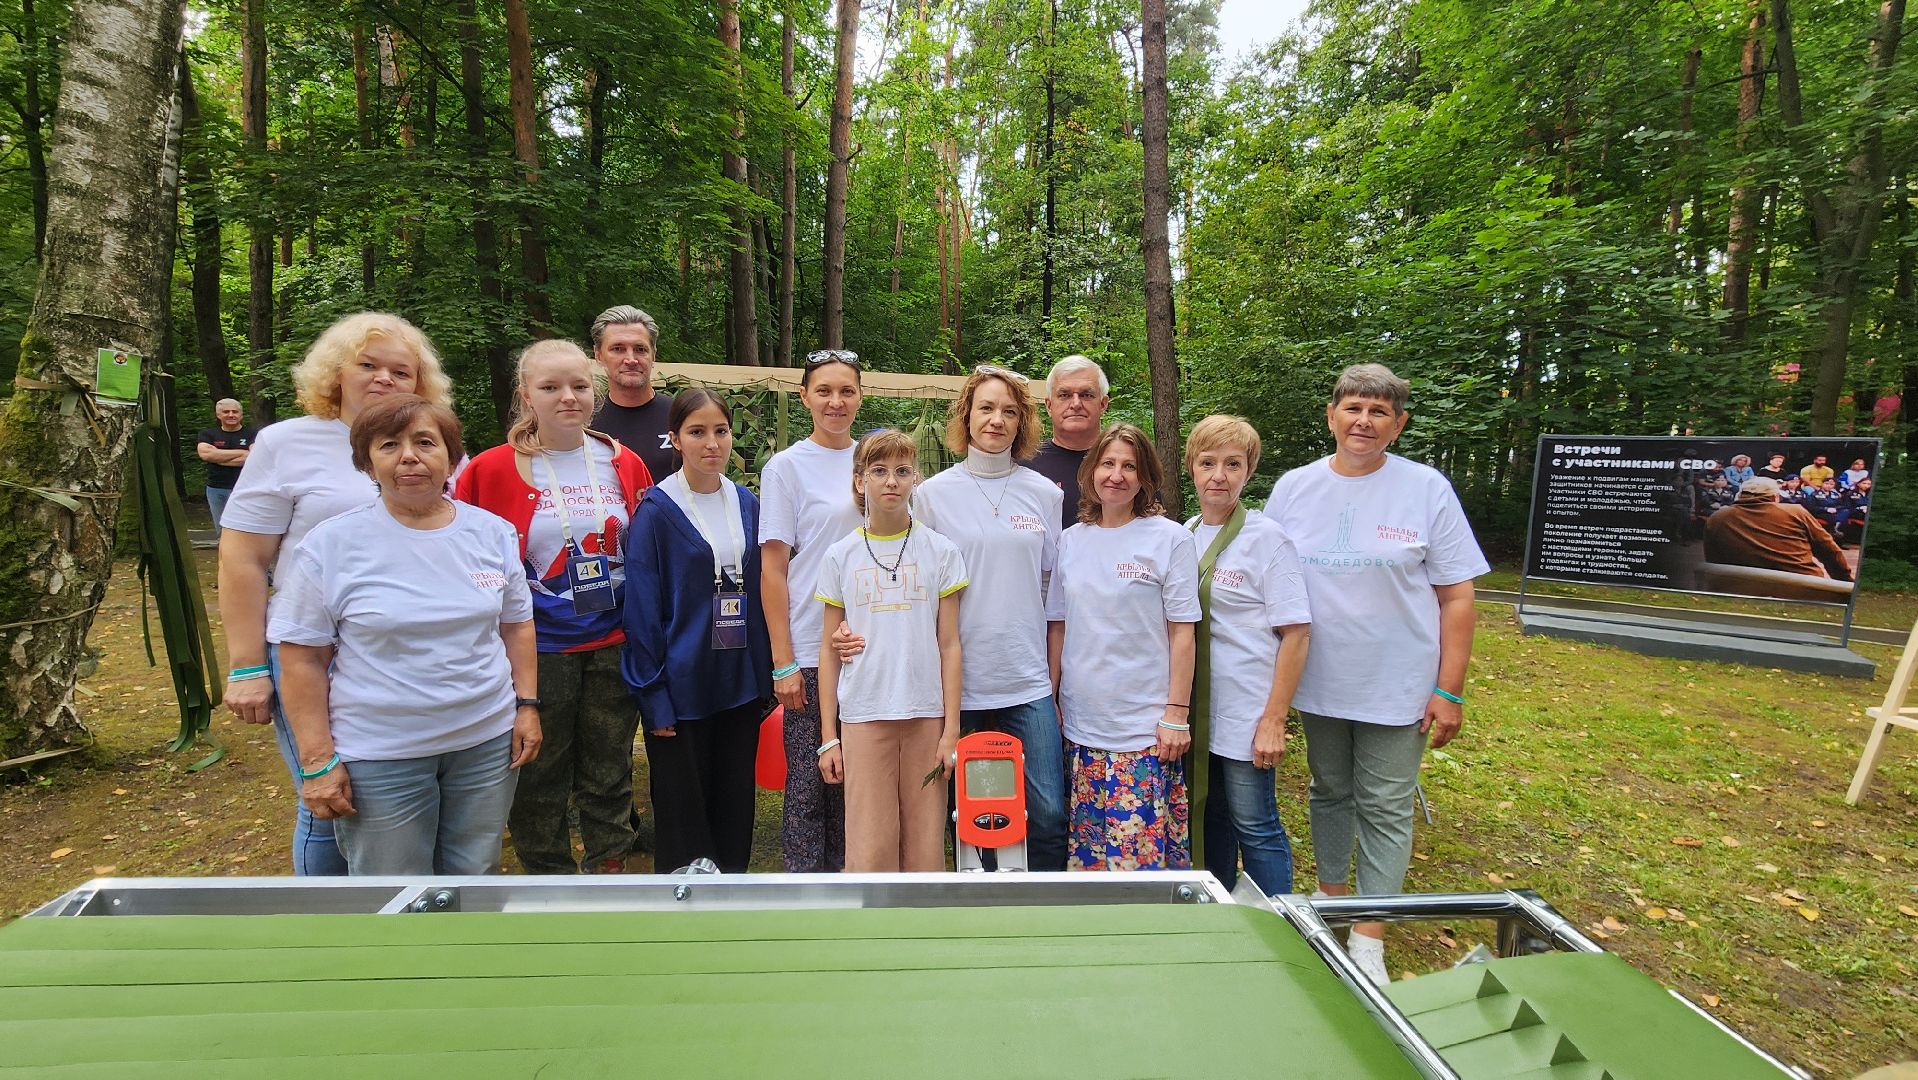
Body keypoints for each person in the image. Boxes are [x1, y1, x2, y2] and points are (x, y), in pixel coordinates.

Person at [1267, 363, 1488, 986]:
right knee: (1328, 791)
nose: (1364, 421)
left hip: (1398, 681)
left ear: (1399, 424)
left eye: (1379, 412)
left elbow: (1457, 598)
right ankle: (1335, 903)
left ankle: (1370, 934)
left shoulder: (1426, 489)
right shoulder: (1294, 488)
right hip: (1317, 679)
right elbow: (1271, 579)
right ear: (1333, 415)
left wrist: (1449, 689)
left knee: (1386, 804)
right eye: (1354, 408)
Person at [219, 311, 454, 875]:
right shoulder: (287, 443)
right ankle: (325, 920)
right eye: (368, 365)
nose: (383, 379)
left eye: (401, 371)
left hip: (405, 655)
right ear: (335, 373)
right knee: (328, 790)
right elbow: (243, 557)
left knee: (394, 793)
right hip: (311, 649)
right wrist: (247, 664)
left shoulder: (432, 445)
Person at [269, 394, 540, 876]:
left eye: (425, 442)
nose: (409, 456)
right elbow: (301, 658)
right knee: (394, 888)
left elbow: (516, 625)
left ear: (452, 458)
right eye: (389, 445)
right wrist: (316, 761)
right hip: (382, 752)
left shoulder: (492, 534)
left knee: (473, 874)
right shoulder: (331, 545)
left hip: (484, 742)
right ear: (367, 462)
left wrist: (527, 707)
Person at [454, 340, 653, 874]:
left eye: (580, 386)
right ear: (527, 395)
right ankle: (549, 880)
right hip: (539, 650)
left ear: (596, 391)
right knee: (539, 773)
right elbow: (468, 559)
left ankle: (611, 870)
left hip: (614, 645)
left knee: (609, 769)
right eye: (550, 387)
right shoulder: (491, 471)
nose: (568, 397)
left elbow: (646, 546)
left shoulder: (622, 461)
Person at [911, 364, 1068, 869]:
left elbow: (1053, 588)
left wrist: (1055, 673)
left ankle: (1043, 909)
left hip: (1026, 677)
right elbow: (922, 589)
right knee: (965, 811)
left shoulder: (1045, 494)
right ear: (967, 415)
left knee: (1047, 810)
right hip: (960, 683)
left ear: (1022, 422)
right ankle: (975, 903)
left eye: (1008, 410)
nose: (996, 419)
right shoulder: (932, 496)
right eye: (986, 408)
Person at [621, 389, 773, 873]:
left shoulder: (748, 503)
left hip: (739, 684)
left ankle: (733, 901)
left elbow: (763, 591)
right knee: (685, 813)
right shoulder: (657, 511)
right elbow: (642, 611)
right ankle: (685, 912)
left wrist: (765, 676)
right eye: (697, 432)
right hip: (681, 688)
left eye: (721, 431)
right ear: (675, 440)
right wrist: (653, 695)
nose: (712, 443)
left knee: (734, 805)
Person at [1046, 423, 1201, 872]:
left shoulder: (1170, 539)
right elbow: (1059, 625)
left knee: (1139, 865)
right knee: (1086, 861)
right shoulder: (1071, 540)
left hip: (1143, 728)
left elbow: (1183, 632)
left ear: (1146, 478)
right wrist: (1053, 696)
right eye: (1108, 463)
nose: (1117, 475)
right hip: (1082, 723)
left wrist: (1176, 713)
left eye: (1129, 466)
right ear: (1091, 471)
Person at [816, 430, 967, 872]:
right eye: (879, 471)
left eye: (902, 471)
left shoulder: (941, 551)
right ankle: (869, 934)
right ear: (860, 481)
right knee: (869, 845)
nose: (891, 482)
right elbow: (828, 650)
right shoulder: (840, 556)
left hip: (925, 715)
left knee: (924, 843)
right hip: (863, 714)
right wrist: (829, 737)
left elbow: (950, 644)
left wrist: (950, 731)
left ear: (915, 478)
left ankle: (926, 934)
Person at [1183, 415, 1311, 897]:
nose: (1219, 475)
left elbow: (1296, 634)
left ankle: (1278, 922)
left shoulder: (1268, 540)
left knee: (1254, 822)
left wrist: (1275, 719)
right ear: (1192, 468)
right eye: (1208, 462)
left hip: (1246, 710)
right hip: (1197, 712)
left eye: (1232, 464)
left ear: (1248, 471)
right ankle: (1223, 912)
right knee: (1210, 814)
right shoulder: (1184, 533)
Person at [761, 349, 866, 871]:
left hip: (870, 645)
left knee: (857, 778)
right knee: (808, 781)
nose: (835, 401)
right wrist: (784, 660)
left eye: (846, 390)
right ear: (804, 397)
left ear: (860, 397)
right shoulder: (786, 467)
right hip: (809, 644)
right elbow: (774, 568)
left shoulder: (873, 461)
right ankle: (805, 891)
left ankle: (854, 884)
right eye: (824, 390)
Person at [589, 305, 677, 482]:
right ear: (598, 356)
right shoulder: (586, 423)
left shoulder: (681, 415)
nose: (631, 359)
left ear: (653, 355)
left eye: (640, 349)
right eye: (618, 349)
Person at [1704, 477, 1853, 580]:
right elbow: (1829, 551)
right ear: (1775, 497)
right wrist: (1845, 583)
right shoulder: (1796, 511)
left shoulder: (1718, 517)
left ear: (1740, 495)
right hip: (1802, 586)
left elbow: (1713, 560)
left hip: (1740, 588)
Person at [1027, 355, 1111, 533]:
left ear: (1103, 404)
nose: (1075, 404)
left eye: (1086, 395)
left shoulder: (1128, 466)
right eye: (1064, 395)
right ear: (1049, 405)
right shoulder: (1025, 466)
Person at [196, 397, 256, 539]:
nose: (231, 415)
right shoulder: (207, 434)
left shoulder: (253, 434)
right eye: (226, 412)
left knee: (245, 529)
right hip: (216, 489)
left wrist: (219, 457)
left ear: (241, 415)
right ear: (218, 415)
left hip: (245, 488)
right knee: (222, 529)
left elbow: (254, 458)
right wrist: (242, 453)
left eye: (235, 412)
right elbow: (206, 454)